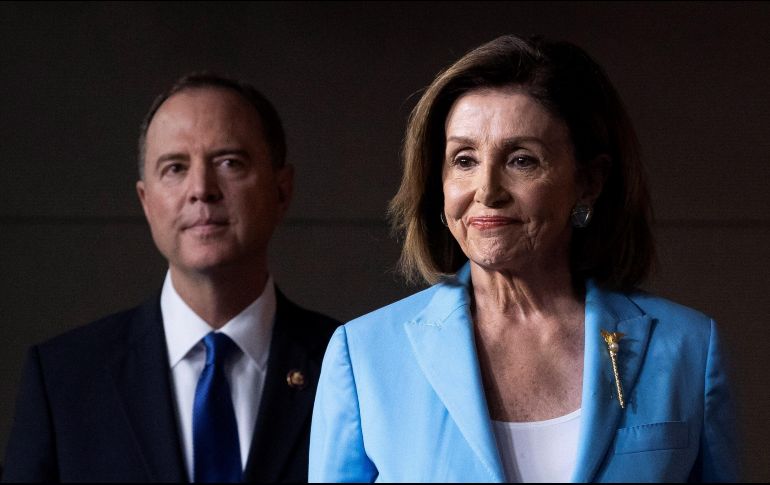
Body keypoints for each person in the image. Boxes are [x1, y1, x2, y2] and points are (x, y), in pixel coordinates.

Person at [309, 35, 739, 482]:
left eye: (521, 160)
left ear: (589, 181)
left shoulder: (689, 347)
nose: (487, 191)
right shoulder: (363, 354)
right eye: (464, 159)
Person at [3, 73, 339, 482]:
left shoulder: (346, 367)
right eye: (175, 168)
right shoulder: (64, 380)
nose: (201, 189)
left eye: (229, 162)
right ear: (146, 202)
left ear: (281, 190)